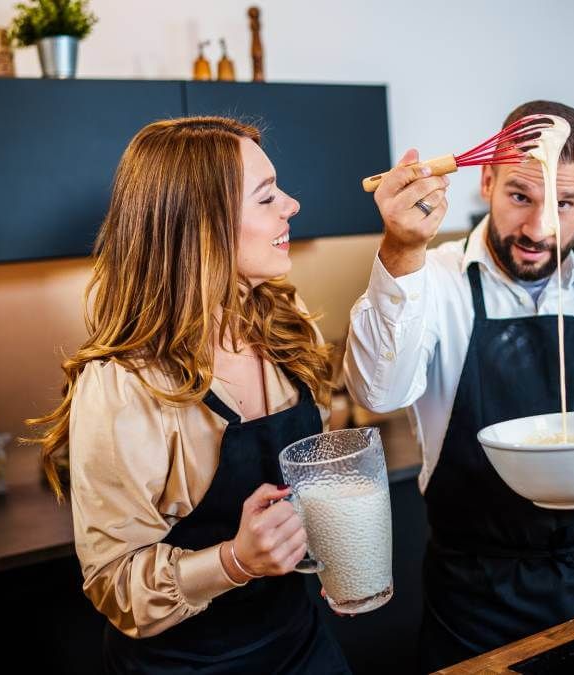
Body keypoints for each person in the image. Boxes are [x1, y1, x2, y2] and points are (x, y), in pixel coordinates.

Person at [343, 100, 574, 671]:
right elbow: (378, 393)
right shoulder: (430, 281)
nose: (538, 228)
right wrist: (402, 250)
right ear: (487, 179)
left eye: (564, 203)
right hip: (476, 595)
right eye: (520, 197)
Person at [29, 117, 350, 674]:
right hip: (189, 665)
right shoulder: (123, 383)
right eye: (267, 196)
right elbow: (113, 585)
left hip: (302, 645)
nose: (291, 205)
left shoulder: (286, 325)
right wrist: (235, 560)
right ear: (202, 227)